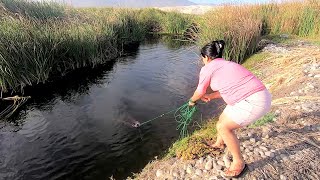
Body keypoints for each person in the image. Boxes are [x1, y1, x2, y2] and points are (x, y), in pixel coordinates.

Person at [188, 40, 272, 178]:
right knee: (222, 119)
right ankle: (219, 144)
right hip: (260, 95)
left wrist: (192, 101)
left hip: (253, 101)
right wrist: (211, 96)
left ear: (206, 57)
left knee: (223, 127)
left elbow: (199, 91)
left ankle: (239, 162)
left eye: (202, 58)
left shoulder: (207, 68)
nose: (202, 60)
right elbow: (230, 88)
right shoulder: (228, 64)